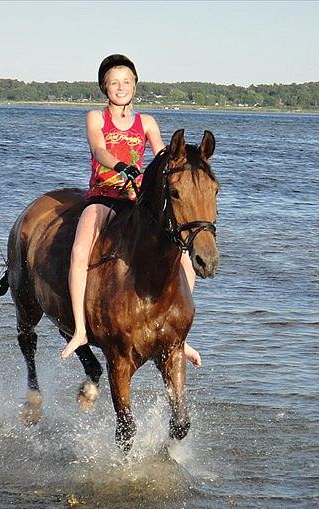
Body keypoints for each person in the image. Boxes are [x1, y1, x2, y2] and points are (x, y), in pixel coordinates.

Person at [61, 54, 201, 368]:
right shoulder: (96, 118)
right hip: (104, 197)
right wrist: (119, 164)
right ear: (104, 87)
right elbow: (99, 149)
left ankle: (182, 335)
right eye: (113, 82)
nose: (120, 87)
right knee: (80, 250)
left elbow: (163, 155)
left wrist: (184, 165)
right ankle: (81, 330)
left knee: (182, 256)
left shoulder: (147, 122)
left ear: (135, 85)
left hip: (137, 200)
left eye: (126, 82)